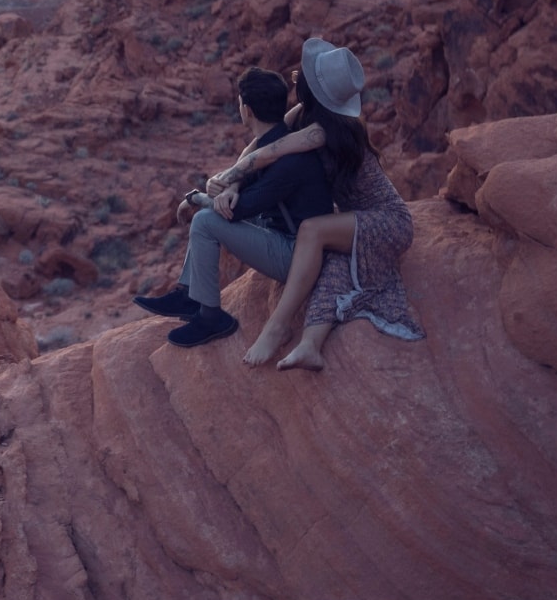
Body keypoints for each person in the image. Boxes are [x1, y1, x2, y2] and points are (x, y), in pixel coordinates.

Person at [212, 38, 423, 370]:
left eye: (303, 74)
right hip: (354, 219)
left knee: (312, 231)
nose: (296, 75)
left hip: (387, 222)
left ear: (311, 88)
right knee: (331, 275)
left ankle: (277, 327)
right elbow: (257, 143)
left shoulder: (323, 131)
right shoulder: (307, 114)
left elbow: (272, 151)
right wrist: (234, 183)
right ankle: (310, 346)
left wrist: (225, 178)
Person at [133, 66, 334, 348]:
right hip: (287, 235)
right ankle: (189, 293)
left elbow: (236, 211)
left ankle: (211, 317)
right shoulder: (276, 143)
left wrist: (195, 198)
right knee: (208, 215)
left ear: (247, 110)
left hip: (298, 255)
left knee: (205, 221)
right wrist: (230, 186)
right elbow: (245, 176)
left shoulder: (287, 161)